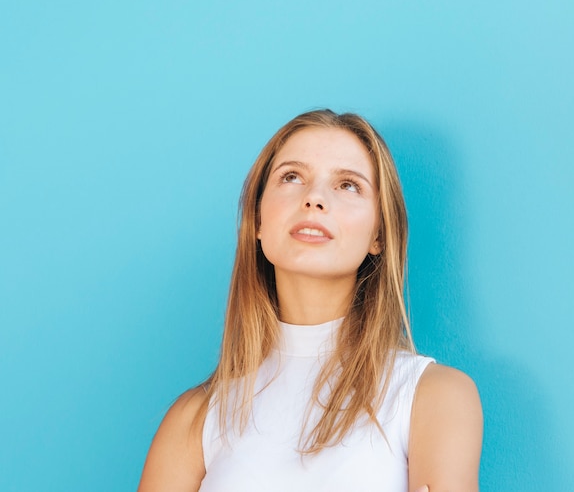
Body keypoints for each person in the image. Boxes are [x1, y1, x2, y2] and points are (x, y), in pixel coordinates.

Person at [138, 109, 483, 492]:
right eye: (291, 177)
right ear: (257, 221)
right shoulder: (193, 420)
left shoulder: (435, 397)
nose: (314, 198)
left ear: (378, 235)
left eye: (348, 185)